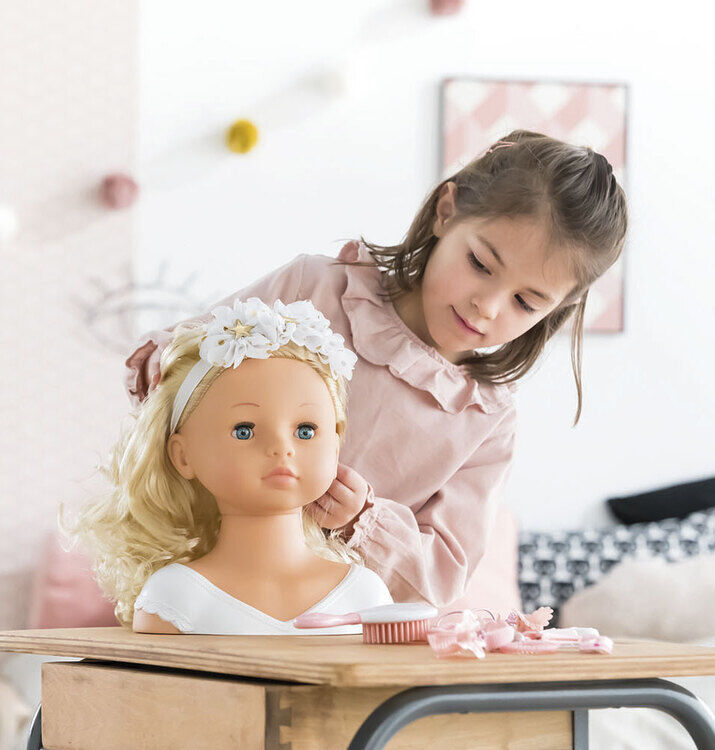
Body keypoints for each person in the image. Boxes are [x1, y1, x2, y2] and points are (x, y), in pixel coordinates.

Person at [125, 130, 628, 607]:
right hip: (203, 579)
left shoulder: (485, 420)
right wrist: (164, 368)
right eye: (480, 264)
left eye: (525, 301)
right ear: (446, 212)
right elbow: (189, 358)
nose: (488, 307)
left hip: (331, 621)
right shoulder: (315, 289)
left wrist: (362, 521)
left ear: (558, 309)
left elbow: (442, 575)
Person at [70, 299, 393, 634]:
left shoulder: (365, 595)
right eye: (244, 431)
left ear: (336, 444)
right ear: (183, 455)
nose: (281, 448)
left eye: (305, 431)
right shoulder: (175, 598)